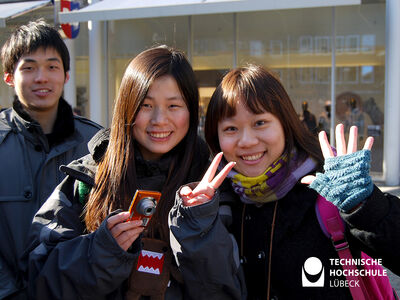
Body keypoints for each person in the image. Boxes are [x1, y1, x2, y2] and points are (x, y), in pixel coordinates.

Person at [169, 65, 400, 300]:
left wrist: (365, 206)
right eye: (230, 128)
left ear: (285, 124)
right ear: (215, 136)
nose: (247, 141)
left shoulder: (331, 187)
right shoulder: (216, 201)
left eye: (260, 122)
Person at [24, 45, 210, 299]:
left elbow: (231, 283)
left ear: (191, 110)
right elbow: (40, 275)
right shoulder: (88, 179)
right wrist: (100, 251)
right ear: (127, 107)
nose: (159, 119)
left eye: (173, 106)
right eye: (145, 105)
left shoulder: (208, 184)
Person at [0, 20, 101, 299]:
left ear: (66, 75)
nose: (42, 77)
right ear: (9, 76)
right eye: (29, 67)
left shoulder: (97, 144)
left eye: (52, 66)